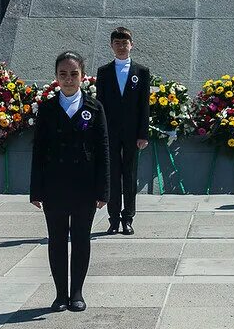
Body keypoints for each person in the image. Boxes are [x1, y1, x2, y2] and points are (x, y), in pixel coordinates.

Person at [30, 51, 109, 312]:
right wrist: (36, 190)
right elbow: (38, 150)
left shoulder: (94, 108)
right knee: (56, 239)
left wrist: (103, 190)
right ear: (56, 77)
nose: (68, 79)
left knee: (81, 239)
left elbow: (103, 151)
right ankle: (60, 294)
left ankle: (77, 292)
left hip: (84, 187)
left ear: (82, 76)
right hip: (54, 186)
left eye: (73, 74)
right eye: (63, 74)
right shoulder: (48, 108)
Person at [96, 27, 150, 235]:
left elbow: (144, 106)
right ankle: (113, 219)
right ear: (111, 46)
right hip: (110, 132)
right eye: (117, 43)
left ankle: (128, 218)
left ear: (131, 45)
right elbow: (100, 105)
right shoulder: (104, 72)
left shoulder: (141, 72)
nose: (121, 47)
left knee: (129, 175)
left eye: (124, 43)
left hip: (131, 134)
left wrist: (142, 134)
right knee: (112, 175)